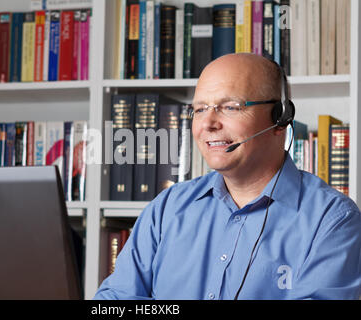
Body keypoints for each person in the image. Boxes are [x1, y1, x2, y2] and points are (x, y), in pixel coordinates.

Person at [94, 53, 361, 300]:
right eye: (199, 109)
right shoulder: (167, 208)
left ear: (279, 119)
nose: (208, 123)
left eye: (230, 107)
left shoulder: (332, 220)